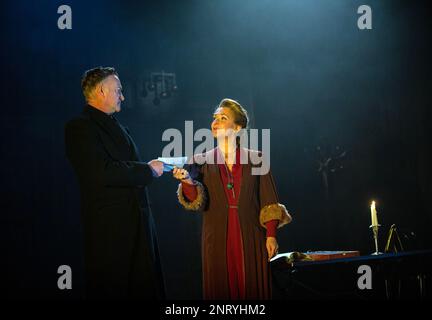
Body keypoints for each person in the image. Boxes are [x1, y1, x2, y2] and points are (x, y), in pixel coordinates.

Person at [173, 98, 291, 300]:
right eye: (215, 118)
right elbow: (195, 200)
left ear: (237, 128)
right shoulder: (200, 160)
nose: (216, 122)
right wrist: (186, 182)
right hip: (217, 238)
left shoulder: (257, 159)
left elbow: (269, 201)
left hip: (251, 235)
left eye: (223, 118)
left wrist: (271, 235)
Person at [65, 67, 165, 299]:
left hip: (138, 228)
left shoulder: (120, 127)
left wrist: (147, 168)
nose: (122, 96)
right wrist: (147, 169)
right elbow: (101, 171)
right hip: (112, 236)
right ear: (101, 90)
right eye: (118, 90)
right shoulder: (79, 127)